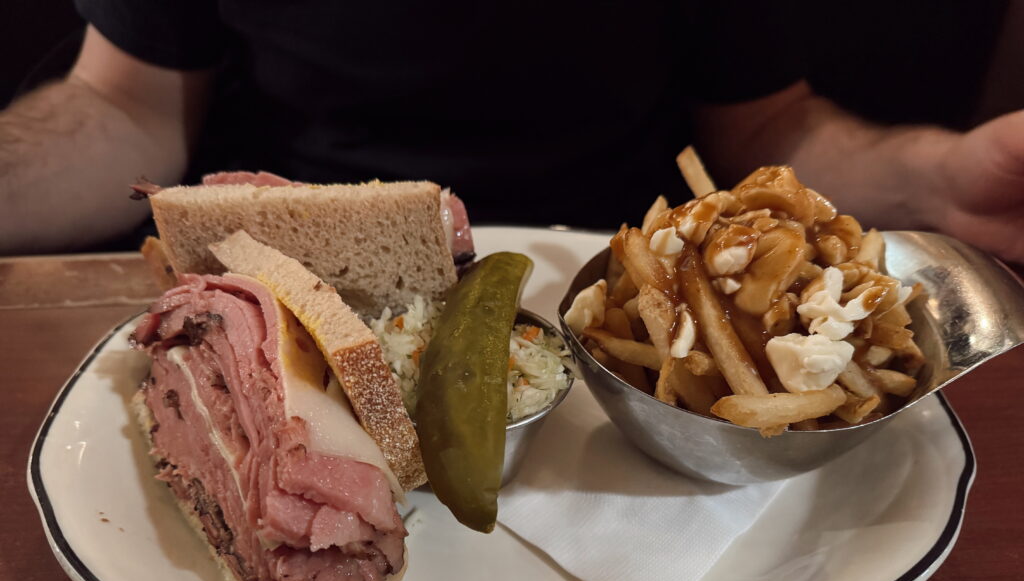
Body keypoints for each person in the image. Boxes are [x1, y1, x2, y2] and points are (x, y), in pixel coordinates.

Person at [0, 2, 1022, 264]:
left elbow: (771, 128)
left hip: (606, 305)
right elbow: (124, 108)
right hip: (286, 267)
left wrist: (936, 184)